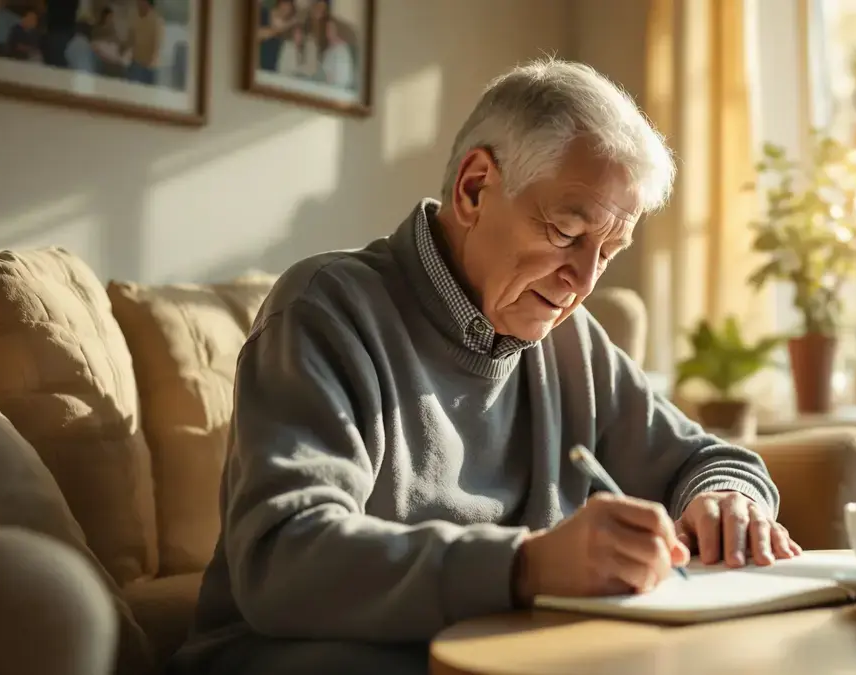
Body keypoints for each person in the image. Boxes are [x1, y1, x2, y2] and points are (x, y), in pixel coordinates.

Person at [168, 58, 800, 675]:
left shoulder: (571, 340)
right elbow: (285, 557)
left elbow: (706, 458)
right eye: (565, 231)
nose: (582, 281)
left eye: (607, 251)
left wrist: (727, 498)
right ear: (474, 188)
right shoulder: (326, 308)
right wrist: (527, 565)